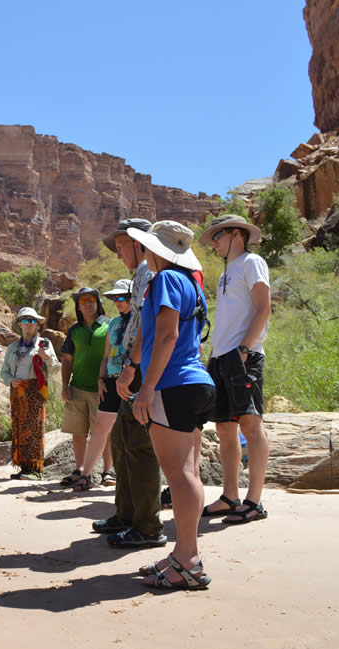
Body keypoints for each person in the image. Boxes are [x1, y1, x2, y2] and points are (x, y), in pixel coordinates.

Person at [126, 221, 215, 590]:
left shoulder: (163, 281)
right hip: (196, 384)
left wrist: (146, 388)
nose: (144, 255)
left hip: (172, 385)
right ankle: (182, 554)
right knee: (188, 472)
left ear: (157, 251)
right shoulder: (191, 284)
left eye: (147, 248)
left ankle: (188, 559)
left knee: (179, 476)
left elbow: (166, 335)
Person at [92, 218, 167, 548]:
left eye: (121, 246)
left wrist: (133, 368)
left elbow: (146, 326)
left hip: (138, 371)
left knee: (139, 447)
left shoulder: (150, 273)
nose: (118, 253)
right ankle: (125, 514)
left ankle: (148, 525)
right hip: (128, 370)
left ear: (139, 243)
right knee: (122, 445)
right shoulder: (140, 275)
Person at [200, 214, 272, 524]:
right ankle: (230, 496)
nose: (214, 243)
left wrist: (244, 349)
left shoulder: (252, 262)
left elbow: (263, 307)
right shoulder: (226, 272)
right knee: (224, 427)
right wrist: (214, 356)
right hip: (221, 357)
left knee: (250, 426)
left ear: (236, 235)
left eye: (218, 236)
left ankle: (254, 501)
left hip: (245, 354)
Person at [71, 280, 131, 491]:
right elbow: (106, 355)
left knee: (134, 431)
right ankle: (86, 475)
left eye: (122, 298)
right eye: (115, 299)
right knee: (100, 428)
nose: (118, 302)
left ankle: (121, 475)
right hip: (111, 381)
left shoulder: (140, 320)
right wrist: (101, 379)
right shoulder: (113, 324)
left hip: (132, 380)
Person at [0, 307, 60, 480]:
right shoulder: (12, 348)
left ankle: (35, 468)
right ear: (19, 324)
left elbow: (56, 370)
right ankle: (24, 466)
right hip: (17, 391)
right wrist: (10, 380)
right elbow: (4, 371)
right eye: (25, 320)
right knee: (19, 427)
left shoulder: (44, 344)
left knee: (34, 427)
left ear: (37, 324)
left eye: (32, 321)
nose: (29, 324)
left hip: (35, 390)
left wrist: (46, 357)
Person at [59, 287, 110, 487]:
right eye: (83, 301)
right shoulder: (74, 330)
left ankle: (108, 471)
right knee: (78, 432)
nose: (88, 304)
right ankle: (80, 469)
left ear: (97, 303)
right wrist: (65, 385)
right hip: (78, 387)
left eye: (91, 299)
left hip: (104, 388)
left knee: (105, 432)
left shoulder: (108, 326)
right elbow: (67, 360)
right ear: (78, 307)